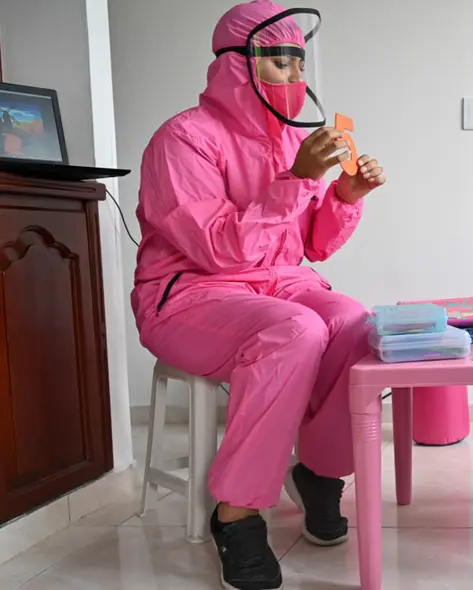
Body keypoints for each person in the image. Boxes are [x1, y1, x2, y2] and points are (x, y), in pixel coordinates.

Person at [131, 2, 385, 588]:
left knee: (353, 322)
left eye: (298, 61)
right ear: (236, 64)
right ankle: (238, 514)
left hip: (277, 284)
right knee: (294, 331)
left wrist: (344, 194)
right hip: (189, 294)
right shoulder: (182, 139)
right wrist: (296, 179)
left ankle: (321, 473)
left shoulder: (284, 141)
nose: (294, 74)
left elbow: (309, 246)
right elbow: (219, 250)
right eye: (278, 60)